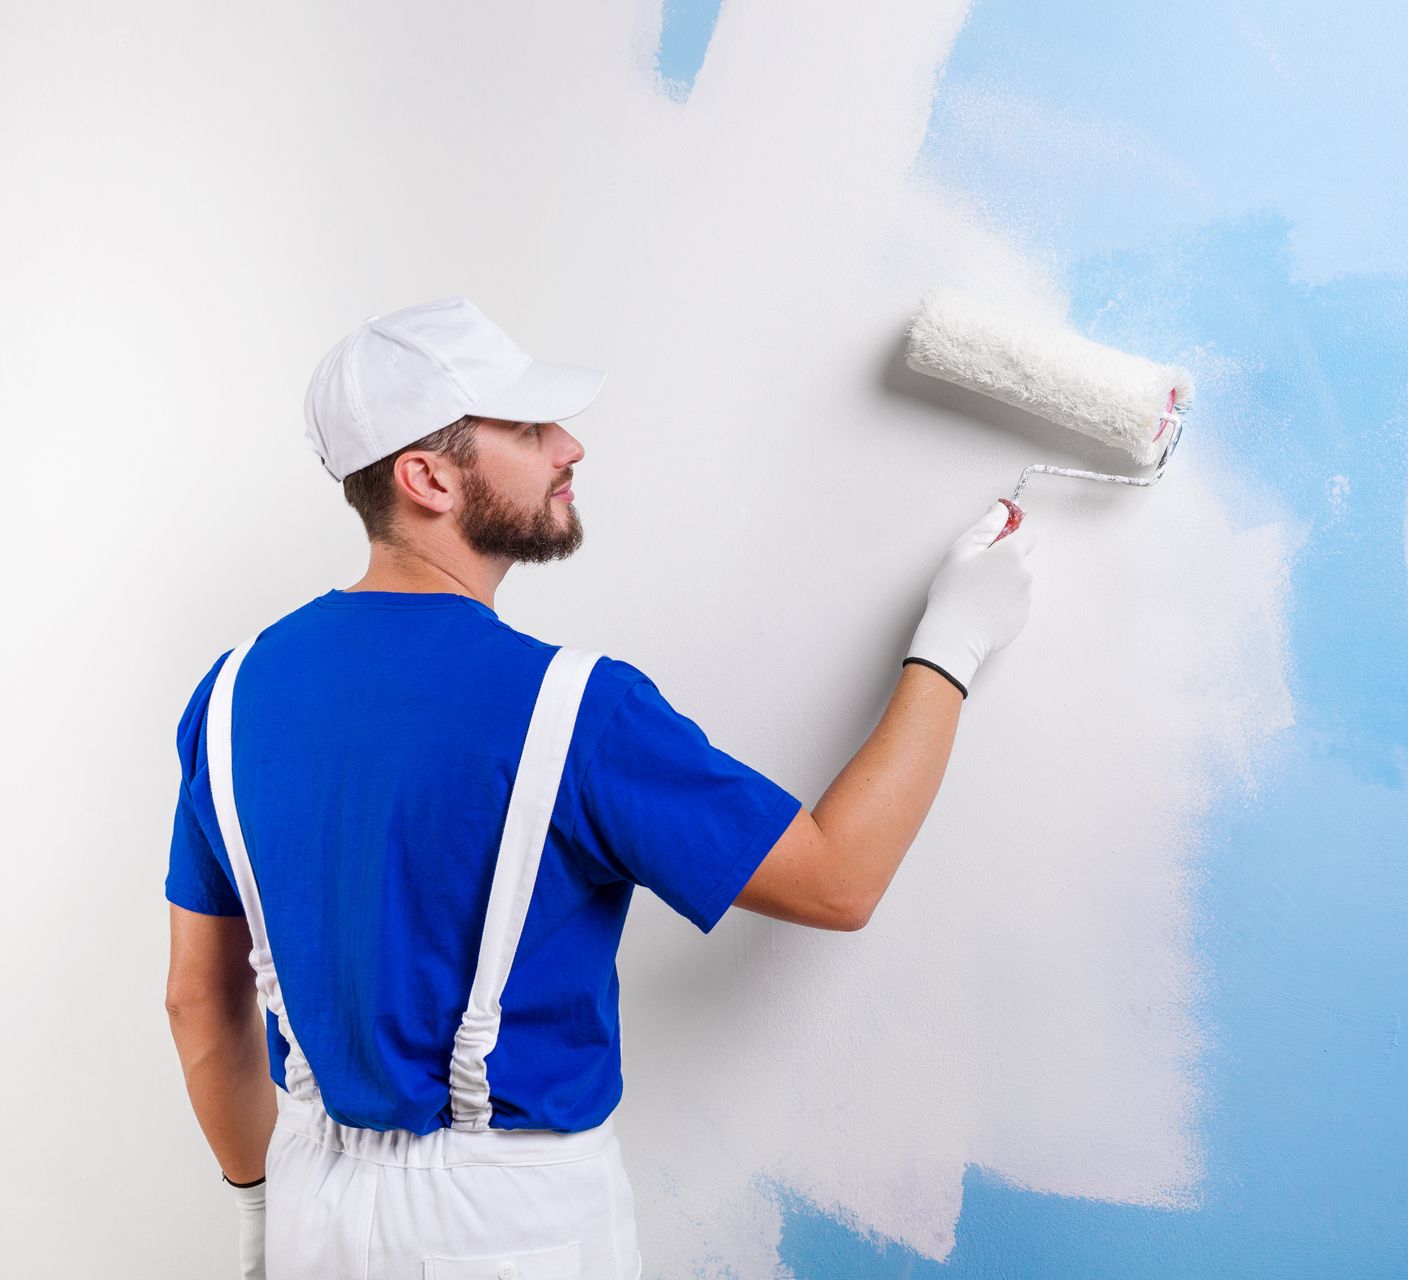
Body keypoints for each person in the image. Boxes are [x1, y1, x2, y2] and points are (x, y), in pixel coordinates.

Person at [162, 296, 1037, 1279]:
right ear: (429, 476)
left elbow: (199, 995)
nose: (568, 445)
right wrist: (951, 643)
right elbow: (838, 880)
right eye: (528, 428)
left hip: (311, 1209)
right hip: (510, 1227)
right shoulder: (579, 708)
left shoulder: (230, 695)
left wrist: (259, 1212)